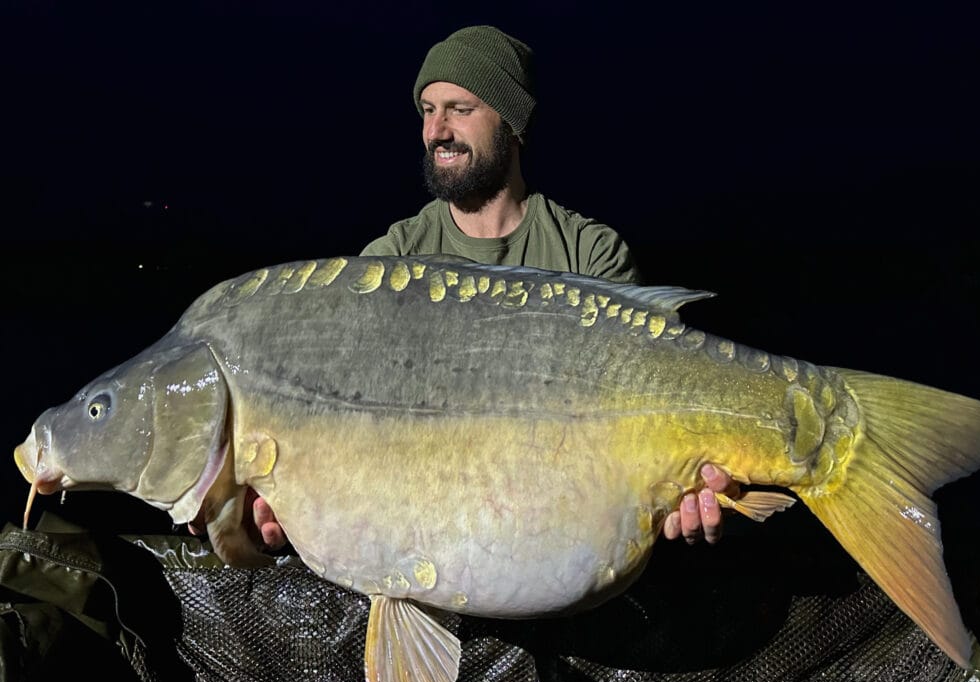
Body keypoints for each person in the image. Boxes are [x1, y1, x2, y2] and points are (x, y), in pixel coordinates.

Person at [192, 24, 735, 550]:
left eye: (460, 109)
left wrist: (681, 486)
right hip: (433, 545)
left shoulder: (589, 253)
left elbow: (650, 418)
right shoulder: (389, 264)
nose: (436, 131)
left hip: (561, 534)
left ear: (514, 124)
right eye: (428, 111)